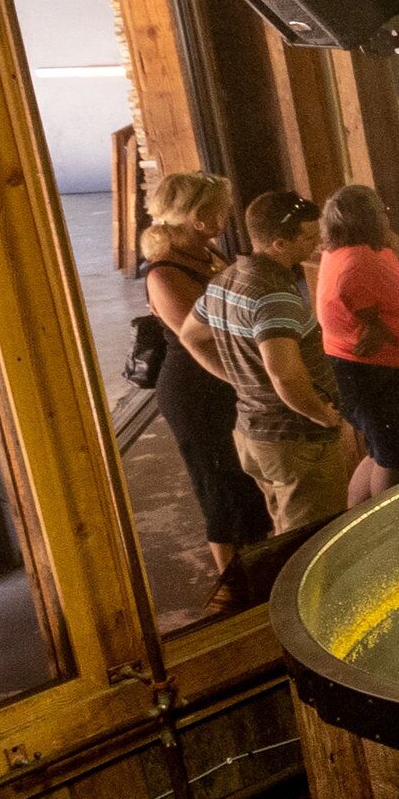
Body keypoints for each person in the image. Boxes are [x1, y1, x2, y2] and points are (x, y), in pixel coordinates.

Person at [135, 170, 268, 607]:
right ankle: (229, 588)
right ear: (197, 217)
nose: (227, 216)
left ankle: (256, 573)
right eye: (220, 209)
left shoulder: (204, 250)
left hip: (226, 379)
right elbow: (199, 337)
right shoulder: (164, 273)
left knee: (244, 476)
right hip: (195, 389)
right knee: (218, 483)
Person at [201, 190, 353, 533]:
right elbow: (284, 373)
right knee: (310, 542)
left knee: (285, 528)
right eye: (309, 237)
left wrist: (239, 379)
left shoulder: (225, 279)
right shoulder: (274, 295)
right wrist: (321, 413)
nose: (317, 244)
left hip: (254, 432)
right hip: (295, 439)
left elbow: (191, 335)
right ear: (279, 245)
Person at [312, 182, 399, 504]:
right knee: (396, 457)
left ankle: (356, 515)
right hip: (378, 371)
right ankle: (391, 528)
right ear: (369, 219)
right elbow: (362, 303)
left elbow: (392, 258)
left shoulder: (345, 251)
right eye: (380, 211)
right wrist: (378, 327)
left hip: (360, 369)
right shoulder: (357, 263)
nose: (386, 216)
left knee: (379, 452)